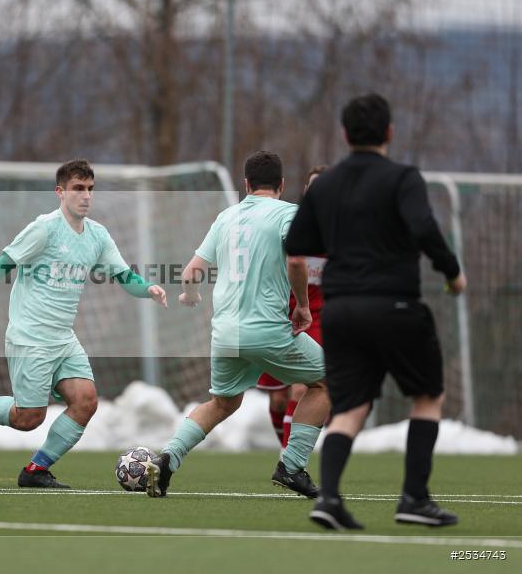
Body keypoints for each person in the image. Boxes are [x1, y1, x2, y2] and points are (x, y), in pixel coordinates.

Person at [286, 93, 465, 530]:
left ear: (345, 135)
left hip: (343, 311)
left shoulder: (324, 186)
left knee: (349, 407)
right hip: (396, 305)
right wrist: (452, 271)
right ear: (389, 132)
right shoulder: (403, 178)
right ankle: (414, 499)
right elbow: (424, 227)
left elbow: (295, 248)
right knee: (427, 398)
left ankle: (328, 499)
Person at [0, 159, 167, 489]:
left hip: (63, 339)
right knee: (28, 418)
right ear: (60, 192)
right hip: (30, 337)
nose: (85, 196)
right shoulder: (44, 228)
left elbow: (123, 275)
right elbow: (3, 263)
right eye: (78, 189)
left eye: (90, 189)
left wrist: (148, 289)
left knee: (86, 401)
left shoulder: (98, 236)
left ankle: (35, 470)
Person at [146, 151, 330, 499]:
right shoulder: (289, 214)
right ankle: (291, 467)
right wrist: (303, 306)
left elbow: (190, 273)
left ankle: (168, 458)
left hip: (226, 333)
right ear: (282, 185)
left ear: (245, 184)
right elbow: (296, 261)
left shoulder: (226, 217)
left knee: (221, 403)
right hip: (267, 329)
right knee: (326, 382)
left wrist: (191, 296)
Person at [257, 166, 327, 450]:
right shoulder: (289, 223)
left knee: (303, 388)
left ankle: (290, 462)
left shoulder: (342, 231)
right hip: (279, 318)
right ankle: (287, 454)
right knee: (278, 398)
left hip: (317, 320)